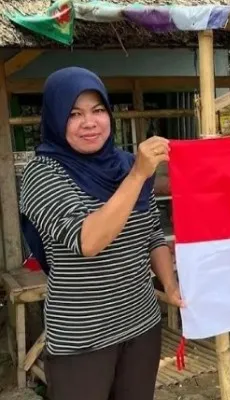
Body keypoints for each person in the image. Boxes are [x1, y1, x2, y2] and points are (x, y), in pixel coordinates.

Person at [19, 67, 183, 400]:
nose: (89, 122)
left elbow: (151, 232)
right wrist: (138, 176)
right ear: (54, 119)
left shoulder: (124, 164)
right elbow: (87, 241)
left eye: (97, 110)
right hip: (82, 341)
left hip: (141, 326)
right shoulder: (42, 174)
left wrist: (169, 284)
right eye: (74, 114)